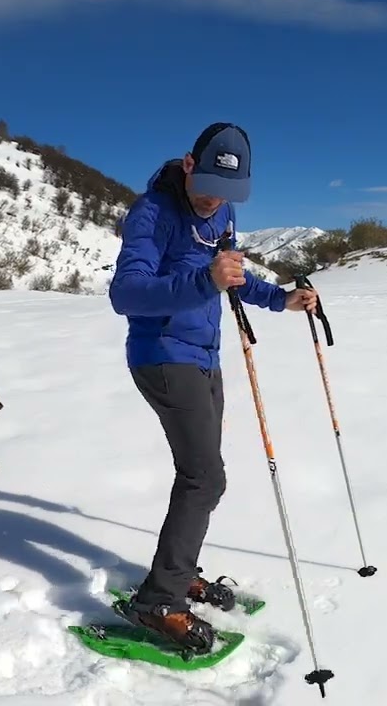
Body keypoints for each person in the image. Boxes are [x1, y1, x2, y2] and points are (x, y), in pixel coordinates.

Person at [107, 122, 318, 649]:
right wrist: (204, 280)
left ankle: (177, 575)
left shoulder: (222, 212)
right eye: (206, 187)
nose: (213, 201)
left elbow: (233, 273)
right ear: (187, 165)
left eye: (227, 193)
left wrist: (281, 299)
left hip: (204, 357)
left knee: (204, 478)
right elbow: (127, 293)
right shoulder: (151, 214)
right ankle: (159, 601)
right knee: (204, 478)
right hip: (161, 356)